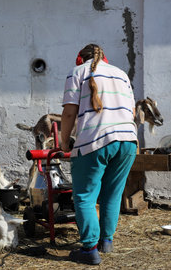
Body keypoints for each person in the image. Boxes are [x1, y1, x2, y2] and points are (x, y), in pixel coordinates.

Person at [60, 44, 138, 265]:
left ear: (79, 59)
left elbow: (68, 113)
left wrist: (65, 142)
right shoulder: (121, 74)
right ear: (105, 57)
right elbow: (131, 112)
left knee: (84, 196)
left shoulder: (77, 73)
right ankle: (106, 241)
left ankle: (89, 249)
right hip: (128, 141)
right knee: (112, 194)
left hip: (96, 140)